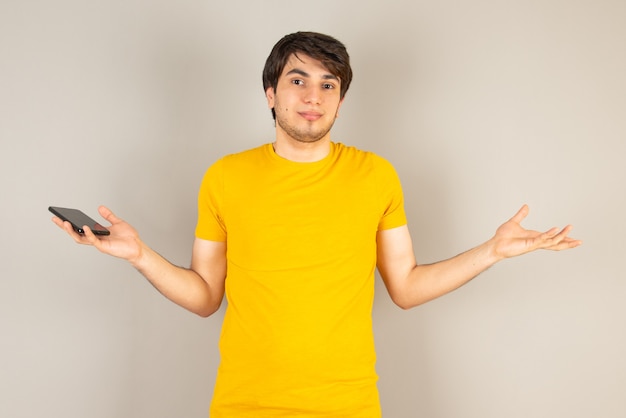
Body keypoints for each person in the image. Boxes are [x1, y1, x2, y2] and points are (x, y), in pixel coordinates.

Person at [52, 31, 582, 417]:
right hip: (244, 404)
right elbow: (206, 295)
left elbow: (406, 286)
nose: (313, 96)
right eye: (298, 79)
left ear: (341, 101)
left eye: (329, 85)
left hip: (347, 403)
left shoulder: (376, 175)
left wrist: (492, 250)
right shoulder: (225, 177)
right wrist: (140, 254)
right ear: (271, 94)